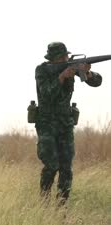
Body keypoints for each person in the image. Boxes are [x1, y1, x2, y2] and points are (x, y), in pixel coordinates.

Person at [35, 42, 102, 205]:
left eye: (66, 56)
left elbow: (97, 82)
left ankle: (62, 207)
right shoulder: (42, 70)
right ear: (55, 58)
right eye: (63, 57)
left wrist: (88, 73)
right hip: (46, 124)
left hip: (65, 124)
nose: (66, 58)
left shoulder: (71, 68)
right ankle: (43, 203)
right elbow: (46, 94)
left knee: (66, 167)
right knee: (51, 165)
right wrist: (62, 76)